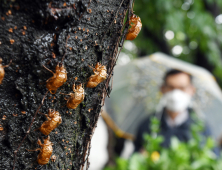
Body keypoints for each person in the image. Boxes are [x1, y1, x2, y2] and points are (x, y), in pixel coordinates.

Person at [134, 69, 216, 152]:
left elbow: (214, 158)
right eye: (171, 87)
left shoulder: (202, 127)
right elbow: (134, 156)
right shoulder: (148, 125)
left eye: (182, 88)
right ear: (162, 89)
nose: (175, 93)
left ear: (192, 90)